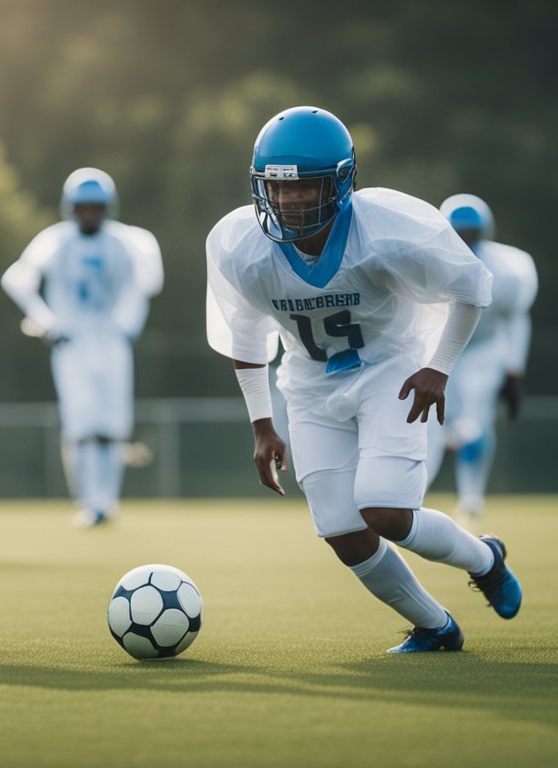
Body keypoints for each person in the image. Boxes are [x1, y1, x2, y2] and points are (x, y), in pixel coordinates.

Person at [205, 106, 522, 653]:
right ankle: (435, 627)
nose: (290, 201)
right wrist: (262, 426)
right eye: (278, 189)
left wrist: (438, 366)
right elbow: (246, 336)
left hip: (388, 369)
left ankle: (484, 558)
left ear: (342, 181)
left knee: (386, 511)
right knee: (341, 530)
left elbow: (474, 287)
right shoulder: (240, 245)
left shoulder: (388, 229)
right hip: (307, 383)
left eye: (307, 188)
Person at [2, 168, 162, 527]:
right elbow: (16, 280)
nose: (90, 213)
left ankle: (108, 501)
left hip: (112, 343)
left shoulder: (128, 242)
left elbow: (146, 284)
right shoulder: (55, 241)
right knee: (81, 425)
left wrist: (127, 325)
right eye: (83, 207)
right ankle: (89, 501)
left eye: (96, 207)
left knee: (112, 426)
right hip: (72, 345)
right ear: (71, 208)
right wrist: (45, 321)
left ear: (107, 207)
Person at [424, 194, 538, 519]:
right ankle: (418, 487)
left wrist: (513, 371)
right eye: (459, 232)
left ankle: (471, 496)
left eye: (470, 232)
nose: (465, 239)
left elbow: (515, 319)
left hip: (482, 351)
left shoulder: (508, 270)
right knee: (430, 423)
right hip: (436, 347)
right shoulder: (428, 262)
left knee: (476, 425)